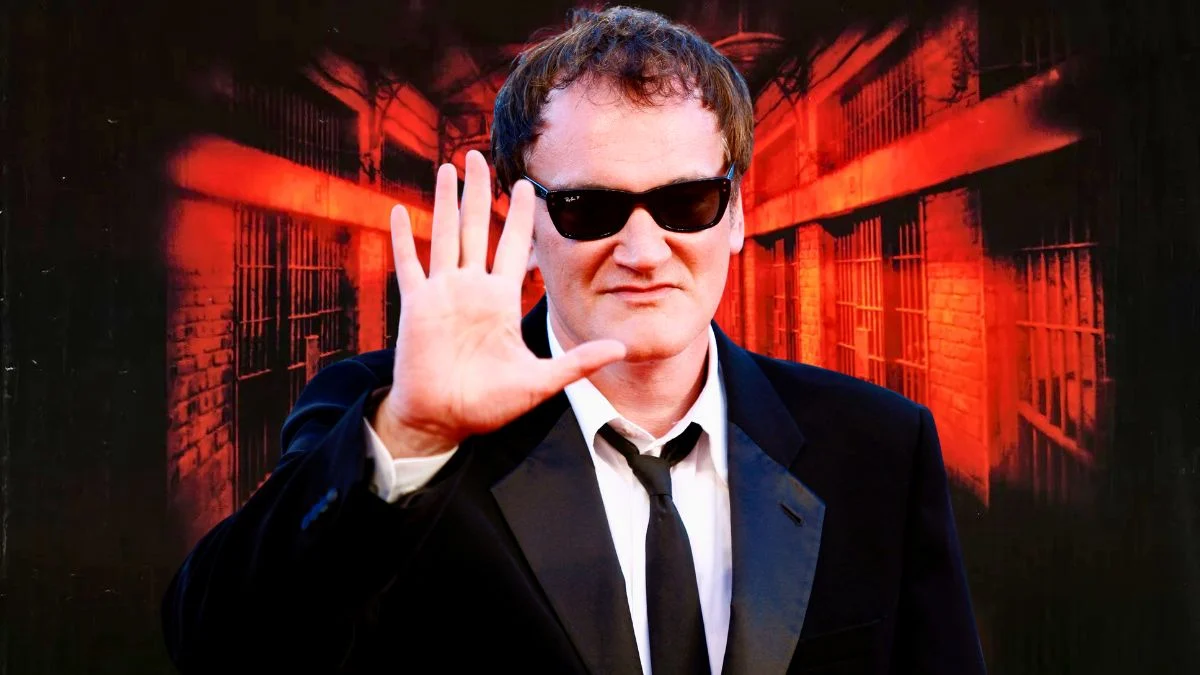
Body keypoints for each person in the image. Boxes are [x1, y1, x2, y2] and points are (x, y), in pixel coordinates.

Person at [161, 6, 986, 674]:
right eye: (590, 208)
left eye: (687, 203)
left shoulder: (879, 446)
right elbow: (218, 647)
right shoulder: (392, 422)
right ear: (524, 223)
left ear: (735, 213)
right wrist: (412, 435)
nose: (643, 250)